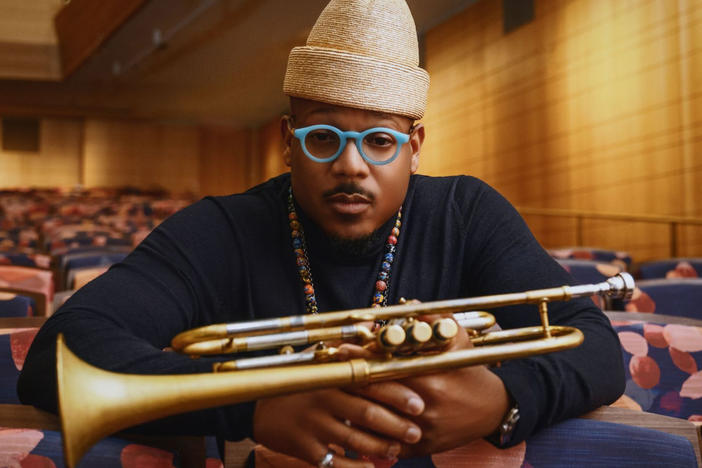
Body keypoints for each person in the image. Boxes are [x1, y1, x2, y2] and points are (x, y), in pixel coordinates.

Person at [18, 1, 625, 467]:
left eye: (380, 141)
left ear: (413, 147)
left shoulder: (467, 212)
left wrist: (501, 399)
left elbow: (592, 343)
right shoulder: (222, 229)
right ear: (288, 140)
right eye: (323, 138)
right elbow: (64, 350)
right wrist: (250, 405)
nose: (352, 166)